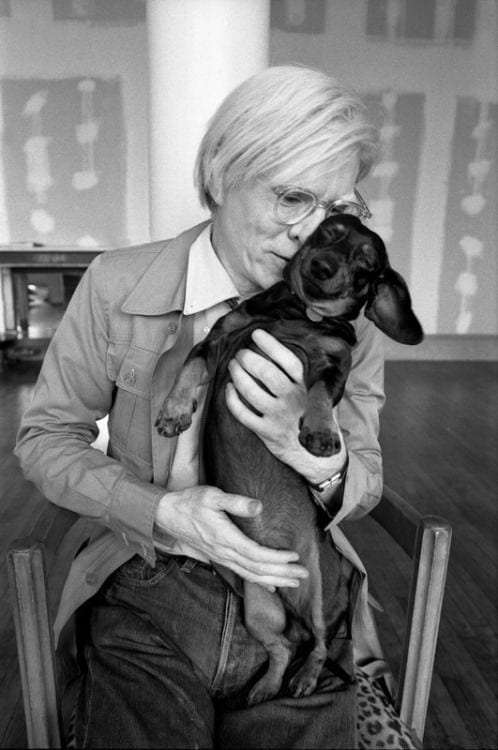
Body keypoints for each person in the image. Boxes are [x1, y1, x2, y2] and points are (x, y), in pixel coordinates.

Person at [15, 65, 418, 749]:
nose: (315, 236)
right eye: (293, 197)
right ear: (223, 175)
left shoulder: (348, 320)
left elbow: (367, 471)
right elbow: (46, 439)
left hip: (295, 587)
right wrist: (162, 510)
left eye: (338, 210)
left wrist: (319, 461)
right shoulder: (118, 285)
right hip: (149, 586)